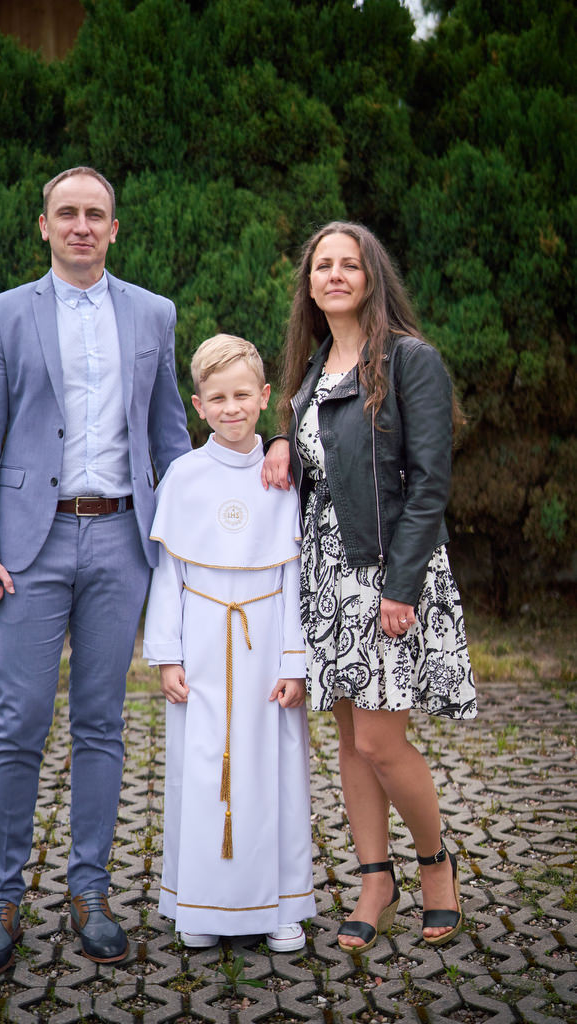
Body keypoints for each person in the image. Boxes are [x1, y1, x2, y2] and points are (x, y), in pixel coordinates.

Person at [0, 166, 191, 976]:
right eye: (67, 213)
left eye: (95, 214)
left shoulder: (154, 313)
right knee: (19, 722)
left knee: (101, 722)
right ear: (45, 226)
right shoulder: (3, 314)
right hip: (30, 546)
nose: (81, 225)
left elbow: (170, 436)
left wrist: (194, 542)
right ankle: (1, 899)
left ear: (114, 228)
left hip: (123, 540)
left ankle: (91, 891)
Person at [262, 221, 476, 951]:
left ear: (371, 276)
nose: (334, 275)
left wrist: (402, 585)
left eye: (349, 264)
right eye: (322, 265)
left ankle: (436, 866)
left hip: (389, 570)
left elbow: (430, 484)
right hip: (325, 574)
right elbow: (318, 450)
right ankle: (375, 880)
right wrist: (281, 437)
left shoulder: (411, 360)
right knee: (351, 739)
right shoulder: (312, 369)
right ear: (309, 283)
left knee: (384, 741)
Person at [143, 334, 316, 952]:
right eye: (217, 398)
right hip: (201, 646)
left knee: (274, 773)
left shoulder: (282, 476)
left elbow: (294, 576)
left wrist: (295, 661)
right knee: (199, 769)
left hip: (266, 649)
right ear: (198, 405)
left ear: (265, 397)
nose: (232, 407)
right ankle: (198, 903)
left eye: (243, 394)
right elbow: (170, 574)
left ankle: (281, 906)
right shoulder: (184, 476)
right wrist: (167, 655)